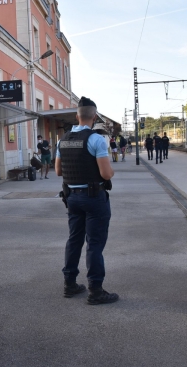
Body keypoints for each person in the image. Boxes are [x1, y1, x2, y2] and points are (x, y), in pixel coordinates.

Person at [56, 96, 119, 305]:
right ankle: (95, 290)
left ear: (77, 116)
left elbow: (58, 171)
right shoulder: (96, 140)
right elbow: (106, 173)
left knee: (74, 239)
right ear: (94, 117)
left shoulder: (62, 139)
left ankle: (70, 284)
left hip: (72, 198)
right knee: (94, 244)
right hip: (94, 198)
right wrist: (111, 171)